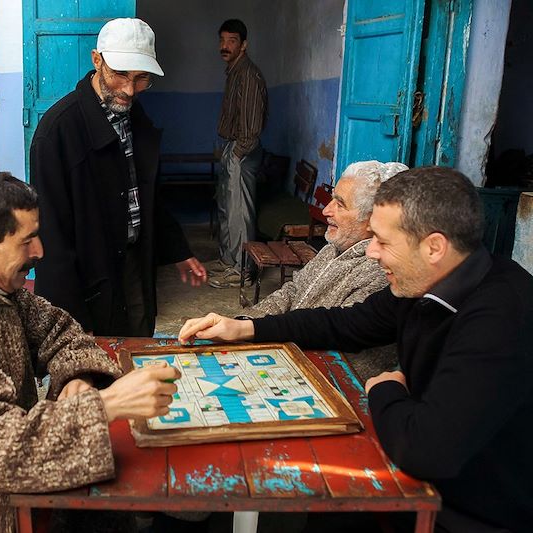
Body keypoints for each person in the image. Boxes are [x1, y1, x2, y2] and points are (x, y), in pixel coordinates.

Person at [179, 166, 533, 532]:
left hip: (469, 513)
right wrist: (245, 327)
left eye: (382, 241)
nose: (373, 254)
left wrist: (385, 389)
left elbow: (426, 451)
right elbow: (345, 323)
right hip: (417, 478)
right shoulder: (424, 283)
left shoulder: (501, 318)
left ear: (434, 247)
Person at [0, 171, 180, 533]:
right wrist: (106, 406)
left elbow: (60, 329)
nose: (39, 251)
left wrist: (77, 375)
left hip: (5, 501)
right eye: (26, 241)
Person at [30, 17, 206, 337]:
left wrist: (177, 249)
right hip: (85, 277)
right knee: (92, 366)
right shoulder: (58, 132)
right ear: (97, 60)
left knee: (136, 349)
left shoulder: (135, 118)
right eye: (120, 74)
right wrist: (63, 324)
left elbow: (148, 195)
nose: (129, 89)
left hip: (133, 264)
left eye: (141, 79)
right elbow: (51, 239)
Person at [251, 160, 407, 315]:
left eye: (340, 204)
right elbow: (294, 289)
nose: (326, 211)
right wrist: (249, 320)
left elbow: (333, 332)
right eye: (332, 199)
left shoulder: (377, 274)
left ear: (372, 218)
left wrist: (255, 330)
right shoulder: (331, 249)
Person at [208, 19, 268, 289]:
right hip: (233, 148)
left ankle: (243, 270)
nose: (225, 46)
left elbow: (252, 129)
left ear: (244, 45)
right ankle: (228, 259)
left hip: (243, 151)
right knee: (226, 208)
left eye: (232, 41)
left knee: (239, 213)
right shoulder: (234, 71)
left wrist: (236, 154)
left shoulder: (248, 75)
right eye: (222, 40)